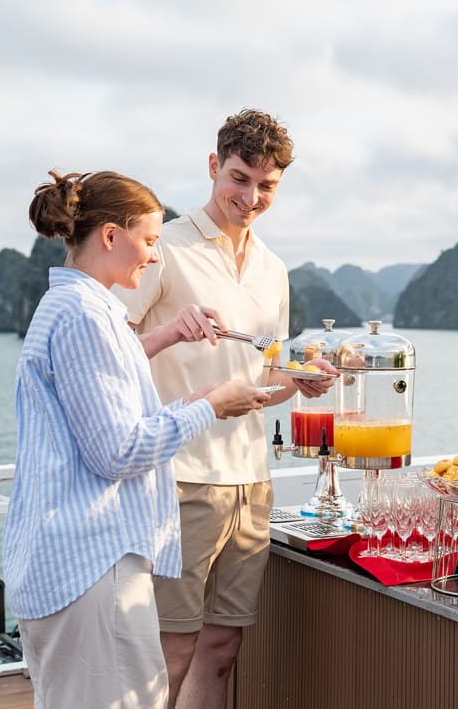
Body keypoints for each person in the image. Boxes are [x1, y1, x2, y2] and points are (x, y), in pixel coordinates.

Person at [3, 170, 275, 708]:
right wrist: (211, 406)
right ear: (111, 236)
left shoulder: (78, 308)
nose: (154, 255)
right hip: (91, 565)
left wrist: (184, 371)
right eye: (149, 240)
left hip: (79, 563)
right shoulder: (84, 316)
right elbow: (119, 451)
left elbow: (109, 400)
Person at [113, 109, 336, 709]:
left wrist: (301, 381)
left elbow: (267, 376)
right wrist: (170, 336)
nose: (251, 197)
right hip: (177, 477)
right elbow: (109, 352)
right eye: (240, 178)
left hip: (251, 481)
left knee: (222, 648)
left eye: (267, 185)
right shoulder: (164, 248)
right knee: (170, 651)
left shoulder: (273, 269)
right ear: (214, 166)